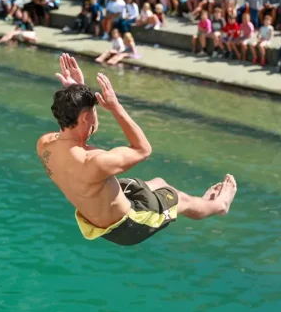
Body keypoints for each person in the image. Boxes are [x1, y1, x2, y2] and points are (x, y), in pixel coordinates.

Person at [37, 54, 238, 246]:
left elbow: (83, 130)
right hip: (130, 225)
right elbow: (143, 149)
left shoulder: (45, 144)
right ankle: (218, 206)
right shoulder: (95, 161)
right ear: (83, 118)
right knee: (179, 198)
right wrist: (115, 107)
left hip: (98, 217)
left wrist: (78, 91)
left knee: (159, 183)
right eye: (90, 112)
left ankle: (195, 204)